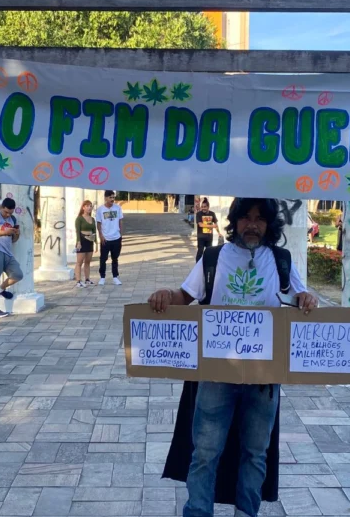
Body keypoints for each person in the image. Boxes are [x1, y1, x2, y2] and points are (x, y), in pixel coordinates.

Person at [150, 198, 318, 517]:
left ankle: (246, 512)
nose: (251, 224)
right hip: (216, 373)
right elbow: (183, 297)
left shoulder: (281, 260)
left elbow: (301, 299)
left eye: (259, 218)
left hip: (263, 377)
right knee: (205, 452)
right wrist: (163, 295)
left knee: (255, 453)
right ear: (234, 222)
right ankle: (198, 511)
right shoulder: (212, 258)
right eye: (245, 218)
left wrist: (307, 298)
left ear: (269, 224)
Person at [96, 190, 124, 286]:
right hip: (106, 239)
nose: (112, 199)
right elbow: (98, 223)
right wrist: (101, 236)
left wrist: (121, 234)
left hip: (116, 237)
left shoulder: (118, 208)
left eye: (113, 197)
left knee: (115, 259)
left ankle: (115, 277)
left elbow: (120, 221)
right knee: (103, 258)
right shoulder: (100, 210)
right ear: (105, 198)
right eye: (110, 197)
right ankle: (102, 277)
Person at [74, 200, 97, 288]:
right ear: (83, 207)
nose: (89, 208)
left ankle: (87, 279)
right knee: (79, 262)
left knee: (87, 261)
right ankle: (78, 281)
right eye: (87, 206)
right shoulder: (79, 218)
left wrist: (96, 243)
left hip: (90, 241)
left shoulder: (92, 219)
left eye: (90, 206)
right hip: (82, 240)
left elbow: (95, 231)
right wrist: (78, 242)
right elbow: (77, 231)